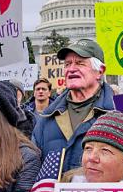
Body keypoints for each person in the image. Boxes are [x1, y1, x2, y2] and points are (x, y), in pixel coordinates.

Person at [32, 39, 115, 173]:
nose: (71, 69)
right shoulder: (47, 118)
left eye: (80, 63)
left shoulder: (117, 114)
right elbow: (32, 169)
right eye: (67, 64)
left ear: (100, 71)